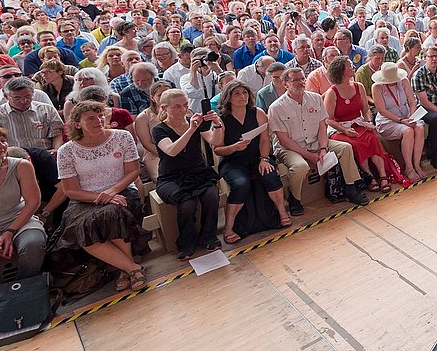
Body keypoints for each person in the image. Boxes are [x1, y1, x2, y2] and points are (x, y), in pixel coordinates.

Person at [56, 100, 148, 291]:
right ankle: (131, 268)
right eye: (91, 118)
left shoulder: (122, 137)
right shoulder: (66, 151)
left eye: (100, 116)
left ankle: (125, 270)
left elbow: (133, 171)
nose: (98, 120)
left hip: (121, 190)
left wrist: (111, 191)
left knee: (112, 213)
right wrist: (99, 197)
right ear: (77, 124)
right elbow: (70, 190)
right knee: (81, 226)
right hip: (84, 199)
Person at [268, 68, 369, 210]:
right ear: (285, 84)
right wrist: (308, 155)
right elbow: (284, 140)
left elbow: (323, 126)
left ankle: (350, 188)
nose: (300, 82)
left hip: (316, 141)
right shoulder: (276, 107)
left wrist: (323, 148)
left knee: (345, 148)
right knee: (300, 167)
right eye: (295, 80)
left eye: (302, 79)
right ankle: (295, 198)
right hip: (290, 147)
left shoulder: (315, 98)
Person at [209, 81, 289, 242]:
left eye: (245, 93)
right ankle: (229, 227)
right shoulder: (221, 119)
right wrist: (234, 147)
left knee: (270, 175)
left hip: (257, 157)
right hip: (233, 161)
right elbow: (217, 149)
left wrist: (264, 159)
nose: (242, 96)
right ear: (228, 97)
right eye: (237, 93)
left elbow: (265, 140)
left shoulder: (257, 112)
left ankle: (282, 212)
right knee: (240, 183)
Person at [152, 88, 221, 260]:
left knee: (211, 196)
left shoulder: (193, 122)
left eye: (185, 105)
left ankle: (209, 236)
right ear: (164, 108)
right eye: (176, 107)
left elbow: (215, 141)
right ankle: (186, 242)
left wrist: (218, 124)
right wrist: (190, 130)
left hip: (197, 172)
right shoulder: (159, 129)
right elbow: (171, 151)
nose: (182, 110)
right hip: (171, 177)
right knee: (187, 203)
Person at [323, 58, 408, 193]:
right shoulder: (332, 92)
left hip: (358, 122)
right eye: (349, 66)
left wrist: (369, 122)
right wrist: (345, 130)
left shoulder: (358, 86)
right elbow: (329, 120)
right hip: (339, 128)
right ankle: (370, 177)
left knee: (372, 137)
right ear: (341, 71)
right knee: (356, 143)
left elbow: (366, 110)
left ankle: (382, 175)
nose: (353, 67)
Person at [0, 127, 47, 279]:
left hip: (20, 220)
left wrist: (10, 231)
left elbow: (33, 202)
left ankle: (24, 289)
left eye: (3, 141)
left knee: (33, 243)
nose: (0, 145)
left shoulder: (21, 165)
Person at [371, 63, 428, 181]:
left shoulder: (404, 81)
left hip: (407, 115)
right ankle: (409, 167)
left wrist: (412, 116)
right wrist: (401, 121)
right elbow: (382, 110)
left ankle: (417, 164)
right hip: (388, 120)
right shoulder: (377, 87)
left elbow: (412, 102)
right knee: (408, 131)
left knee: (419, 128)